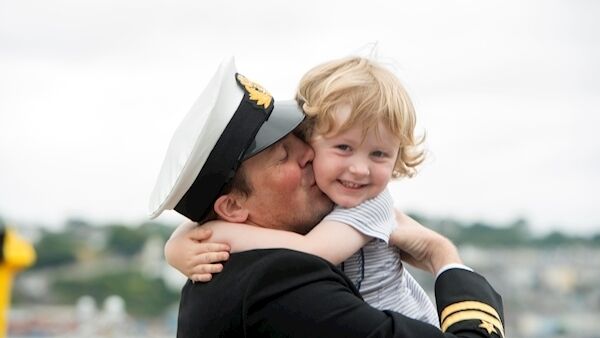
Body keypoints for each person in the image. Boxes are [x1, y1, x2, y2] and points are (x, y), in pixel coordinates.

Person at [149, 57, 505, 337]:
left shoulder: (227, 269)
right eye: (284, 156)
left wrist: (190, 239)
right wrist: (443, 256)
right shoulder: (279, 282)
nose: (308, 156)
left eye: (300, 142)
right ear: (233, 207)